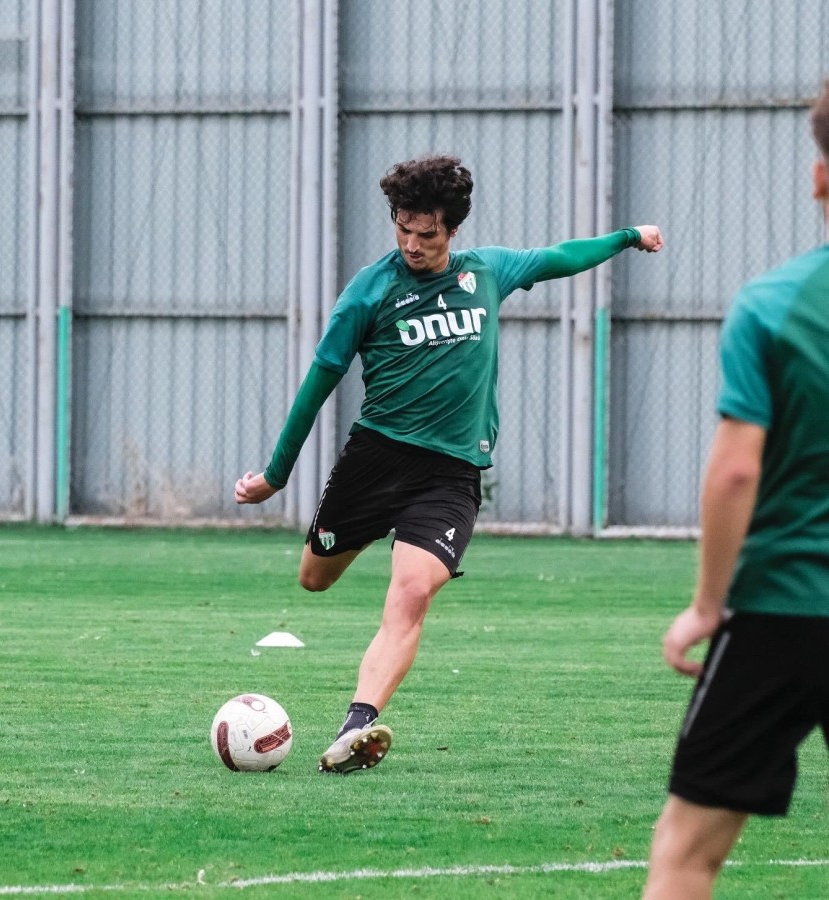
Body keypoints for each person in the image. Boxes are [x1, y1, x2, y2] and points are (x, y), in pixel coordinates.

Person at [236, 154, 664, 774]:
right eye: (402, 229)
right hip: (376, 460)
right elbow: (319, 382)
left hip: (451, 473)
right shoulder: (368, 292)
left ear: (452, 228)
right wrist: (276, 475)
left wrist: (628, 236)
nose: (412, 244)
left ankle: (356, 727)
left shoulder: (485, 272)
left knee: (411, 593)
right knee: (314, 579)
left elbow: (559, 257)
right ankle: (360, 561)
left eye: (426, 232)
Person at [643, 81, 829, 899]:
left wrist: (707, 604)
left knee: (687, 851)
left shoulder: (774, 304)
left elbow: (736, 470)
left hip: (782, 608)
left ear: (819, 177)